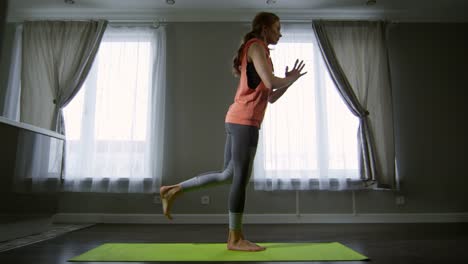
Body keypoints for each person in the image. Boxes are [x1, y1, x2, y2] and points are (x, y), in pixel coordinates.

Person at [160, 12, 307, 252]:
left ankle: (172, 190)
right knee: (238, 179)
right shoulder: (256, 46)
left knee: (227, 175)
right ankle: (235, 238)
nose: (280, 33)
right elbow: (271, 82)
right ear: (264, 28)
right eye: (277, 28)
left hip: (240, 120)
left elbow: (270, 96)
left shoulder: (262, 53)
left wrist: (290, 81)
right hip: (245, 122)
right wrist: (286, 78)